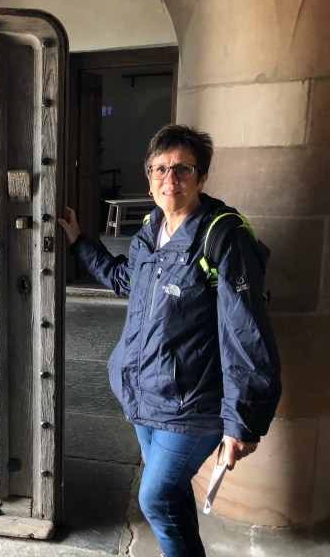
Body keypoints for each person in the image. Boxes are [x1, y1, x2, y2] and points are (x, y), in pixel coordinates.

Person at [57, 124, 281, 557]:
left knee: (156, 498)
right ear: (149, 177)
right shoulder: (151, 228)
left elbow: (246, 334)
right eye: (159, 169)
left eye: (182, 169)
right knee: (172, 498)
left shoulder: (223, 237)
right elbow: (126, 280)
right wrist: (80, 244)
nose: (169, 179)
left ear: (202, 177)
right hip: (144, 392)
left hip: (193, 405)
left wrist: (243, 421)